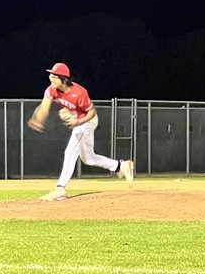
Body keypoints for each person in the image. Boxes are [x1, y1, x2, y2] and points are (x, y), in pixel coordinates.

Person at [27, 61, 135, 201]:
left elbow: (91, 112)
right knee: (88, 158)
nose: (51, 78)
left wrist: (78, 121)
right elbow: (44, 106)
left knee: (70, 151)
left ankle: (60, 188)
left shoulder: (79, 92)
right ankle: (121, 166)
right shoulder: (51, 89)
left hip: (87, 121)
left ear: (64, 79)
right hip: (78, 122)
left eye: (54, 76)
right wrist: (38, 118)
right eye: (51, 75)